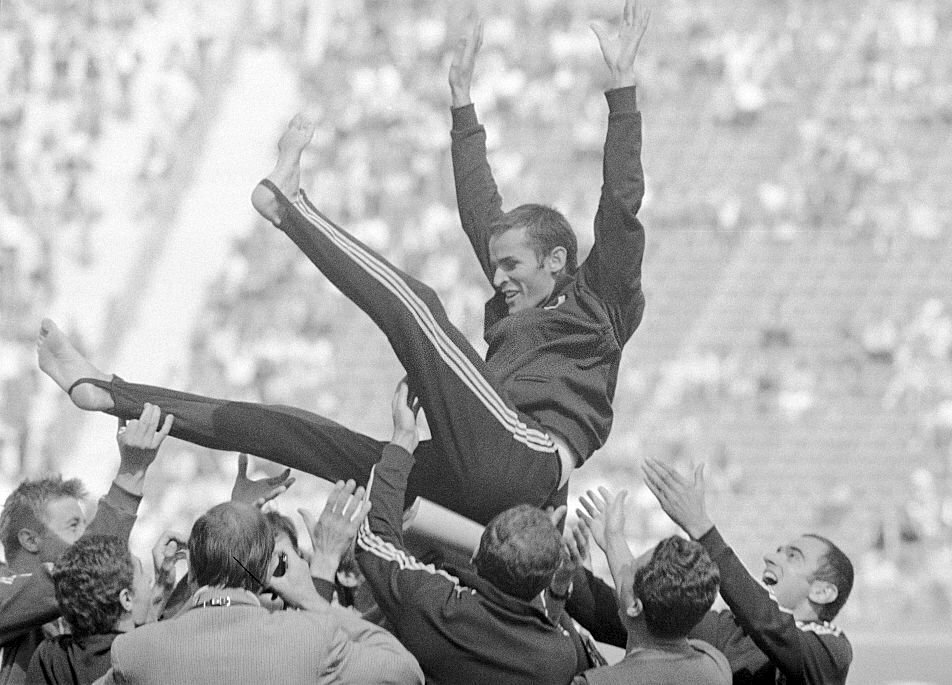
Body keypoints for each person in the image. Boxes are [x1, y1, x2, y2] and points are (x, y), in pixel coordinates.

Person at [35, 0, 650, 527]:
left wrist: (623, 94)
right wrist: (462, 109)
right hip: (476, 475)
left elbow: (620, 205)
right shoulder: (514, 309)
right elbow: (481, 214)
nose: (497, 278)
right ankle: (106, 393)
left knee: (421, 309)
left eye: (512, 265)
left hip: (528, 459)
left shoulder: (601, 303)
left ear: (558, 260)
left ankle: (291, 209)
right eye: (495, 266)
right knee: (302, 436)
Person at [354, 380, 589, 684]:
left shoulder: (438, 609)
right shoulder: (558, 657)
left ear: (476, 560)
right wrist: (557, 587)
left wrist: (401, 442)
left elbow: (373, 542)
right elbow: (539, 625)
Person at [94, 481, 423, 685]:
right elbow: (406, 673)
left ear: (192, 571)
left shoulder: (134, 650)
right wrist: (313, 598)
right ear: (266, 570)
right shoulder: (310, 637)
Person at [566, 460, 855, 685]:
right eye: (778, 550)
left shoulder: (832, 651)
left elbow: (770, 624)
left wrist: (702, 529)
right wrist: (567, 573)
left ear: (823, 591)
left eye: (793, 556)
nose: (770, 557)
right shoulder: (730, 631)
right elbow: (640, 614)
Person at [0, 404, 172, 685]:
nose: (85, 538)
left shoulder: (62, 610)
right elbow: (85, 572)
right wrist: (131, 474)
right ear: (30, 540)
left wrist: (160, 592)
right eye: (73, 526)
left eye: (85, 524)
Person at [569, 488, 730, 684]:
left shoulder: (597, 682)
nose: (623, 566)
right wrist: (613, 538)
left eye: (630, 567)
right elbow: (640, 595)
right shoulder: (714, 665)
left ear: (635, 607)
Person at [24, 533, 165, 684]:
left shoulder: (50, 655)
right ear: (127, 599)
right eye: (142, 572)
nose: (149, 579)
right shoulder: (144, 657)